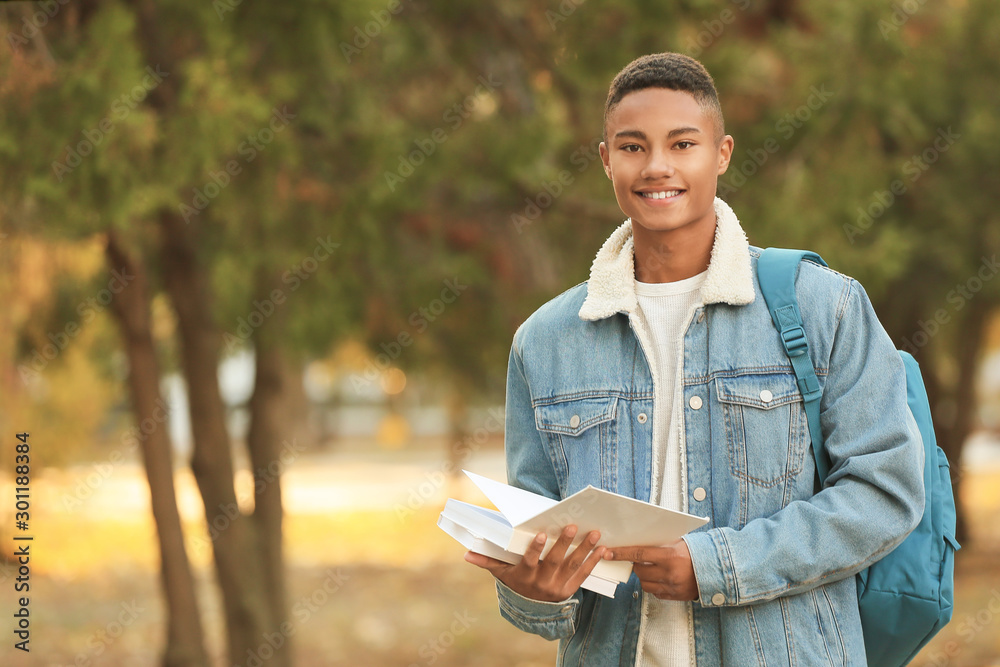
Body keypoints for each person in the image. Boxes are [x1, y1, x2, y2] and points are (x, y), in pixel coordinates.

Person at [463, 52, 925, 665]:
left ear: (722, 153)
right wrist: (537, 593)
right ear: (606, 160)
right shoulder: (544, 342)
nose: (657, 167)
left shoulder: (823, 307)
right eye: (632, 147)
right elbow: (547, 559)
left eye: (683, 144)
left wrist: (717, 566)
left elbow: (885, 491)